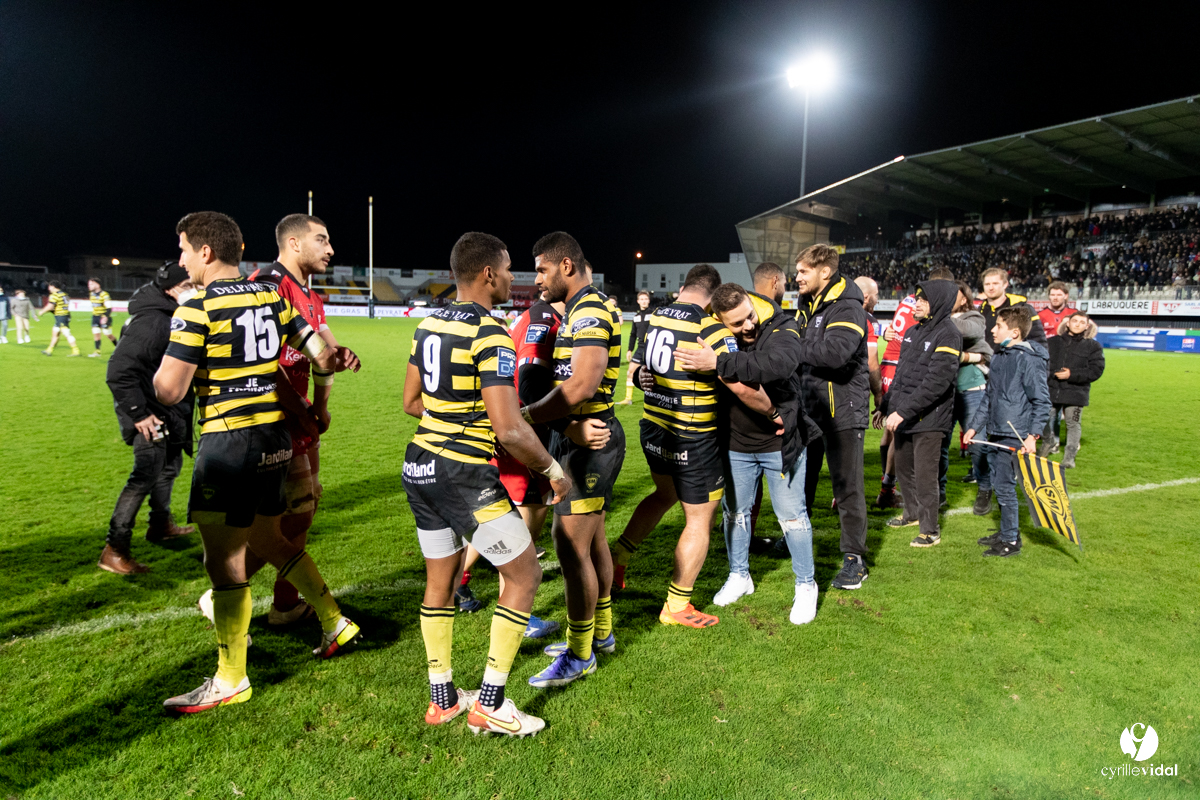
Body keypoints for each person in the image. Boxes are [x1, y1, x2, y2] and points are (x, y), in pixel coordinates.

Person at [155, 211, 359, 714]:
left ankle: (231, 678)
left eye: (184, 250)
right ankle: (334, 620)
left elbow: (170, 389)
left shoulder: (197, 306)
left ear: (205, 252)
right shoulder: (272, 296)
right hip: (275, 438)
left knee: (223, 562)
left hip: (228, 443)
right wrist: (327, 384)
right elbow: (322, 356)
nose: (182, 259)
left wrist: (167, 360)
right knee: (270, 537)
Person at [404, 232, 569, 737]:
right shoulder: (490, 333)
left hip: (419, 466)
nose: (514, 277)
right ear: (488, 274)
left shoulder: (429, 323)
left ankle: (443, 700)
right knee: (524, 576)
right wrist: (552, 470)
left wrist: (454, 421)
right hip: (462, 474)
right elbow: (510, 428)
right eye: (509, 268)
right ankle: (491, 704)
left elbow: (411, 402)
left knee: (440, 581)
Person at [213, 214, 363, 628]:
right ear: (294, 243)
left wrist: (338, 358)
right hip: (272, 419)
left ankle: (285, 604)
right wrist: (304, 408)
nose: (331, 249)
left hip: (300, 418)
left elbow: (324, 352)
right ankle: (223, 589)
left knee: (303, 513)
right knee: (286, 519)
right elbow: (260, 362)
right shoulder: (266, 286)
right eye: (322, 240)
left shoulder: (310, 295)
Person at [613, 265, 772, 629]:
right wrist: (774, 412)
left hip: (653, 426)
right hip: (691, 434)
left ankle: (617, 557)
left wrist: (645, 378)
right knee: (700, 518)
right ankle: (677, 603)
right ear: (714, 296)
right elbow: (739, 384)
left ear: (684, 287)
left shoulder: (656, 317)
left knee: (663, 494)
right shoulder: (710, 328)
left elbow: (638, 370)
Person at [677, 282, 819, 624]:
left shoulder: (782, 324)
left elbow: (779, 364)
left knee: (792, 517)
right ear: (720, 321)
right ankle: (739, 576)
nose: (749, 326)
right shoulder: (710, 330)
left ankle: (806, 585)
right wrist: (645, 376)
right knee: (735, 514)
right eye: (738, 324)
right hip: (735, 443)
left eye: (750, 316)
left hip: (780, 440)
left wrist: (719, 361)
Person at [521, 231, 624, 688]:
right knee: (593, 541)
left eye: (542, 269)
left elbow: (582, 385)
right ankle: (601, 634)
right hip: (581, 436)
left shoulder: (590, 311)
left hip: (592, 445)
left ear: (566, 266)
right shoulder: (580, 309)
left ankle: (580, 654)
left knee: (568, 546)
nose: (537, 279)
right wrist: (564, 426)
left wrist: (526, 416)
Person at [99, 263, 198, 574]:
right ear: (170, 289)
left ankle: (160, 524)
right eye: (188, 287)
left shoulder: (168, 314)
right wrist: (140, 415)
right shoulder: (155, 320)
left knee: (168, 468)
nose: (195, 292)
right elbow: (118, 371)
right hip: (150, 414)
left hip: (168, 411)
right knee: (143, 477)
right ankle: (115, 549)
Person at [793, 245, 872, 590]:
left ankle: (855, 558)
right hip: (810, 408)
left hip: (843, 410)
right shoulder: (807, 304)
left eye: (803, 271)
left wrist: (791, 347)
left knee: (847, 487)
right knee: (802, 482)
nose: (797, 277)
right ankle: (797, 540)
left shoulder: (847, 307)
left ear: (824, 271)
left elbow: (836, 353)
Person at [964, 306, 1052, 556]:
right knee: (999, 483)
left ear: (1014, 332)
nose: (993, 329)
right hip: (997, 431)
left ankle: (1011, 540)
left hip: (1015, 433)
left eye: (998, 326)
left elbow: (1042, 401)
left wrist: (1032, 436)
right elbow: (989, 398)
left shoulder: (1029, 359)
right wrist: (974, 427)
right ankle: (1006, 531)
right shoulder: (1000, 356)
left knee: (1004, 487)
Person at [880, 281, 962, 547]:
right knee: (904, 470)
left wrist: (902, 411)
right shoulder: (912, 331)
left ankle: (930, 530)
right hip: (905, 415)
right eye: (917, 299)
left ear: (937, 303)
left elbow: (937, 383)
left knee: (926, 477)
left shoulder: (949, 334)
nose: (916, 304)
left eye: (923, 300)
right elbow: (902, 375)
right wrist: (885, 406)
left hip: (931, 418)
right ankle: (912, 514)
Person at [1040, 312, 1104, 468]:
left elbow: (1096, 370)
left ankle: (1069, 458)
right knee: (1043, 419)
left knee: (1073, 424)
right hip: (1052, 389)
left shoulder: (1093, 346)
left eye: (1082, 322)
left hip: (1076, 391)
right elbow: (1042, 364)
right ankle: (1048, 442)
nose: (1077, 324)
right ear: (1067, 323)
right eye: (1074, 321)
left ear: (1087, 326)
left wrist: (1071, 374)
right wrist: (1052, 374)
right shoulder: (1052, 342)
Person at [876, 291, 918, 508]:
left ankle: (886, 485)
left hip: (887, 365)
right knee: (898, 430)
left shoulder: (908, 299)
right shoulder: (923, 303)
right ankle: (887, 490)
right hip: (899, 368)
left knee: (889, 430)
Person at [950, 281, 992, 486]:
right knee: (939, 443)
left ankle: (985, 485)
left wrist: (939, 315)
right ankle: (938, 493)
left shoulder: (974, 317)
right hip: (943, 390)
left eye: (953, 294)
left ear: (964, 299)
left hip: (971, 389)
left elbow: (967, 331)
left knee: (977, 440)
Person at [980, 268, 1047, 347]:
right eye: (987, 284)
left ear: (1005, 284)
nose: (991, 288)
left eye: (995, 284)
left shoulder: (1023, 309)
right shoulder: (979, 312)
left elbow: (1038, 340)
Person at [616, 290, 652, 404]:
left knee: (654, 375)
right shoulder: (636, 317)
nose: (644, 301)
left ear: (649, 301)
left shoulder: (653, 315)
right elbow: (632, 334)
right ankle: (628, 399)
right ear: (638, 301)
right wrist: (630, 349)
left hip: (651, 348)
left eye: (645, 299)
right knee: (630, 371)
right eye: (641, 299)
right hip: (640, 349)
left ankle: (656, 399)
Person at [40, 281, 81, 356]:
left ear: (53, 286)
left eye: (49, 287)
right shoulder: (64, 294)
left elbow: (50, 306)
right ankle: (49, 350)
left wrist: (42, 312)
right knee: (55, 332)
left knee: (66, 333)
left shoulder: (54, 295)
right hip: (65, 315)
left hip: (61, 316)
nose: (49, 289)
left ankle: (76, 350)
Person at [87, 278, 118, 357]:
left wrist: (105, 317)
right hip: (95, 317)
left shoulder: (104, 294)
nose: (89, 286)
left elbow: (109, 308)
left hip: (103, 317)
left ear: (97, 285)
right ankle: (97, 351)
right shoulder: (91, 294)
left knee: (108, 334)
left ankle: (118, 347)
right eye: (89, 284)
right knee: (96, 333)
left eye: (91, 284)